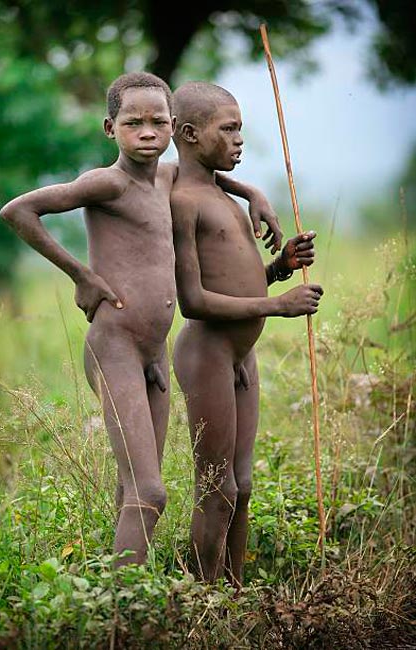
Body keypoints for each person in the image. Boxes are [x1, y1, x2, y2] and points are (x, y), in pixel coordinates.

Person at [0, 72, 283, 568]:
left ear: (174, 127)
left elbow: (209, 176)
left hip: (153, 351)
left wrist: (253, 193)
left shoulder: (170, 178)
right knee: (149, 492)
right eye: (134, 123)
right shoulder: (107, 182)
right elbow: (19, 210)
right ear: (111, 129)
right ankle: (121, 612)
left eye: (158, 123)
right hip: (116, 345)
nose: (147, 132)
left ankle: (130, 599)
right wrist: (81, 275)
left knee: (132, 485)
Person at [170, 81, 323, 589]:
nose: (239, 140)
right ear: (189, 134)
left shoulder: (222, 194)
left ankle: (234, 593)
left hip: (241, 355)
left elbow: (236, 275)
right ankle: (201, 598)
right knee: (216, 487)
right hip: (207, 351)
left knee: (244, 484)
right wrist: (277, 306)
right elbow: (194, 300)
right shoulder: (183, 201)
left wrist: (279, 268)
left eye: (241, 129)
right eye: (228, 129)